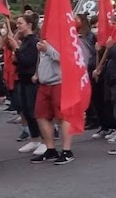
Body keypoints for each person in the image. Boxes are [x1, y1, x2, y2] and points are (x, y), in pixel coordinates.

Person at [30, 36, 76, 165]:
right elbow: (41, 60)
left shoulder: (63, 38)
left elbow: (66, 59)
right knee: (41, 115)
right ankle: (50, 149)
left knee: (62, 117)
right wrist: (37, 73)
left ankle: (67, 150)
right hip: (44, 84)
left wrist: (48, 49)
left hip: (59, 82)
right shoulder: (44, 40)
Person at [11, 14, 46, 156]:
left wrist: (17, 50)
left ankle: (45, 141)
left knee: (34, 111)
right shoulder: (24, 41)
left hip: (32, 80)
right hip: (23, 79)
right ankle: (34, 138)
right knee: (26, 110)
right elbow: (20, 60)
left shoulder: (34, 41)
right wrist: (16, 55)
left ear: (29, 25)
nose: (18, 26)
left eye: (20, 23)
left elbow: (29, 60)